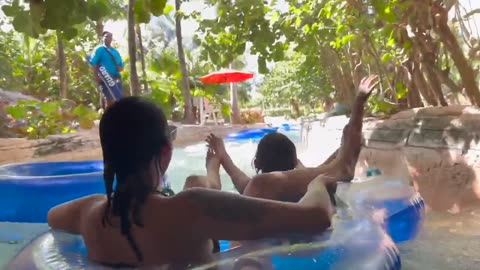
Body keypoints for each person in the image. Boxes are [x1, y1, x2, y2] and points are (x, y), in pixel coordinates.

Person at [47, 96, 339, 269]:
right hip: (205, 208)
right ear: (165, 152)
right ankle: (212, 169)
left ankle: (212, 168)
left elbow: (52, 217)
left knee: (199, 181)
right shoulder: (193, 207)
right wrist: (319, 182)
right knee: (253, 239)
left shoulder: (89, 212)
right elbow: (316, 217)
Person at [202, 75, 378, 204]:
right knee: (329, 163)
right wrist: (360, 102)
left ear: (256, 163)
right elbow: (341, 167)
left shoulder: (257, 188)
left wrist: (221, 156)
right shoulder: (312, 183)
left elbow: (239, 179)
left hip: (270, 247)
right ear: (294, 160)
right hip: (313, 242)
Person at [89, 31, 124, 110]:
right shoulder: (99, 49)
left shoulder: (115, 52)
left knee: (119, 100)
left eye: (109, 37)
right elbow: (93, 63)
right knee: (109, 100)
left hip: (116, 77)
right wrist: (96, 77)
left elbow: (121, 66)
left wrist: (120, 68)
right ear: (103, 38)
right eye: (106, 36)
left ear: (112, 39)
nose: (108, 38)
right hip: (105, 77)